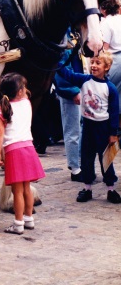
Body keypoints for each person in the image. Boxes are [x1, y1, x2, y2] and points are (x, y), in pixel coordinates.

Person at [56, 51, 121, 204]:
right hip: (88, 126)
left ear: (107, 67)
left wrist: (113, 133)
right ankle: (87, 188)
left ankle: (110, 188)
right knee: (86, 157)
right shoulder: (84, 80)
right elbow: (68, 75)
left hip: (103, 128)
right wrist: (56, 63)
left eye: (98, 63)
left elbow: (114, 112)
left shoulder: (110, 88)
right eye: (92, 62)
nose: (93, 65)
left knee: (106, 159)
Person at [0, 73, 46, 235]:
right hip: (28, 149)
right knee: (27, 189)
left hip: (13, 151)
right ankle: (29, 219)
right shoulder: (26, 103)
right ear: (21, 92)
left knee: (17, 192)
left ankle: (18, 223)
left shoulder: (1, 108)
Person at [54, 38, 84, 182]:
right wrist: (72, 90)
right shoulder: (64, 37)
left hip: (82, 87)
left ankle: (81, 163)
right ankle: (75, 167)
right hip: (72, 91)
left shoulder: (75, 33)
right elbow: (61, 66)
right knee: (73, 130)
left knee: (81, 129)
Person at [100, 0, 121, 127]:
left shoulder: (105, 23)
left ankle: (110, 130)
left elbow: (105, 47)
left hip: (114, 60)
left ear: (104, 10)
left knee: (108, 96)